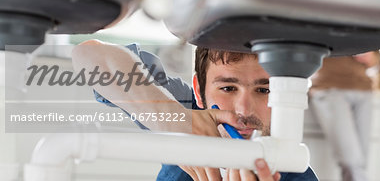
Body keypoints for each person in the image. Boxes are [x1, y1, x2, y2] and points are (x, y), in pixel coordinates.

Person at [71, 40, 319, 181]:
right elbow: (88, 54)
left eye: (264, 91)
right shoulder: (186, 107)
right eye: (228, 88)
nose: (243, 110)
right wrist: (176, 121)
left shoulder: (295, 171)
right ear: (199, 91)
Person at [308, 51, 380, 181]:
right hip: (329, 87)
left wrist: (372, 57)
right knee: (351, 160)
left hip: (364, 89)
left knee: (360, 162)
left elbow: (377, 59)